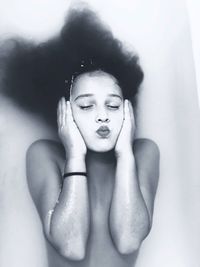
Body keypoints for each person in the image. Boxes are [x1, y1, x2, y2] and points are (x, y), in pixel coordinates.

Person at [25, 8, 160, 267]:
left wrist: (124, 154)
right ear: (64, 110)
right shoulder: (44, 154)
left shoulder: (144, 153)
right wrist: (75, 154)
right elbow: (71, 246)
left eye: (113, 105)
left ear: (128, 109)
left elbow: (128, 240)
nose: (102, 117)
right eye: (86, 106)